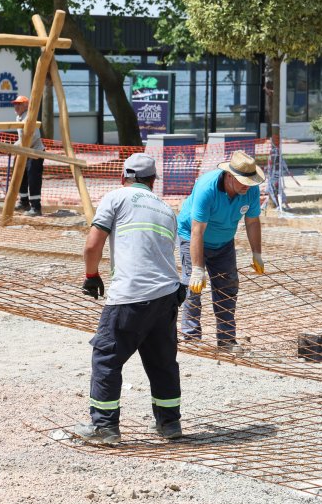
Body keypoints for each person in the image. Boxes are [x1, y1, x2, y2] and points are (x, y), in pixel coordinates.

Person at [74, 153, 185, 445]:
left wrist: (91, 275)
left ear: (124, 178)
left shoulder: (117, 197)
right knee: (161, 361)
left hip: (130, 294)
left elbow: (92, 245)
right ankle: (170, 424)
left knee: (107, 357)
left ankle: (105, 427)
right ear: (152, 182)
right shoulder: (165, 209)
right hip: (166, 295)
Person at [177, 150, 265, 353]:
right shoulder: (207, 188)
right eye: (243, 181)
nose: (247, 186)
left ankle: (226, 340)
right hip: (192, 236)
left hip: (224, 241)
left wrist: (256, 253)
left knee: (227, 287)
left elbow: (252, 222)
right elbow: (197, 229)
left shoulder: (250, 189)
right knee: (193, 286)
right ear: (229, 176)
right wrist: (198, 269)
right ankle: (191, 338)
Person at [11, 95, 44, 216]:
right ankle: (24, 202)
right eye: (15, 104)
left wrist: (18, 146)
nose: (16, 106)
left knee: (33, 179)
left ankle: (36, 207)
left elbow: (33, 137)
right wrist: (16, 145)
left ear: (25, 105)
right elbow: (22, 137)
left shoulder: (29, 117)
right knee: (22, 177)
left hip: (34, 152)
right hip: (25, 151)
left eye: (19, 104)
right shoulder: (18, 117)